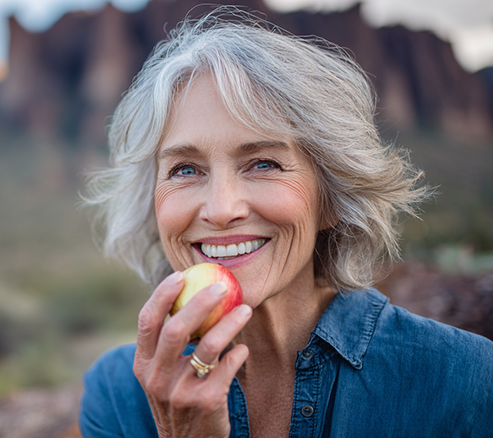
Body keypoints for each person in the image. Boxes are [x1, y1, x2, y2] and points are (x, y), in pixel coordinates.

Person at [79, 8, 493, 438]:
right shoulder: (118, 396)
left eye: (263, 163)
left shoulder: (464, 383)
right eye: (185, 170)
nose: (221, 210)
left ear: (332, 199)